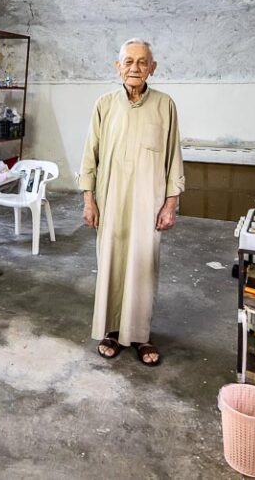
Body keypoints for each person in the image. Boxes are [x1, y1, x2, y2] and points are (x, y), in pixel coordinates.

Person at [79, 38, 185, 366]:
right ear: (118, 67)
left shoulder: (165, 105)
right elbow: (90, 157)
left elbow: (174, 159)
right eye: (128, 61)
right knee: (111, 263)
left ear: (152, 68)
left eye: (142, 62)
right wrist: (89, 200)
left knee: (143, 267)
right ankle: (111, 330)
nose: (135, 68)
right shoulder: (104, 105)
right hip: (111, 201)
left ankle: (140, 335)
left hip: (147, 204)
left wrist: (170, 204)